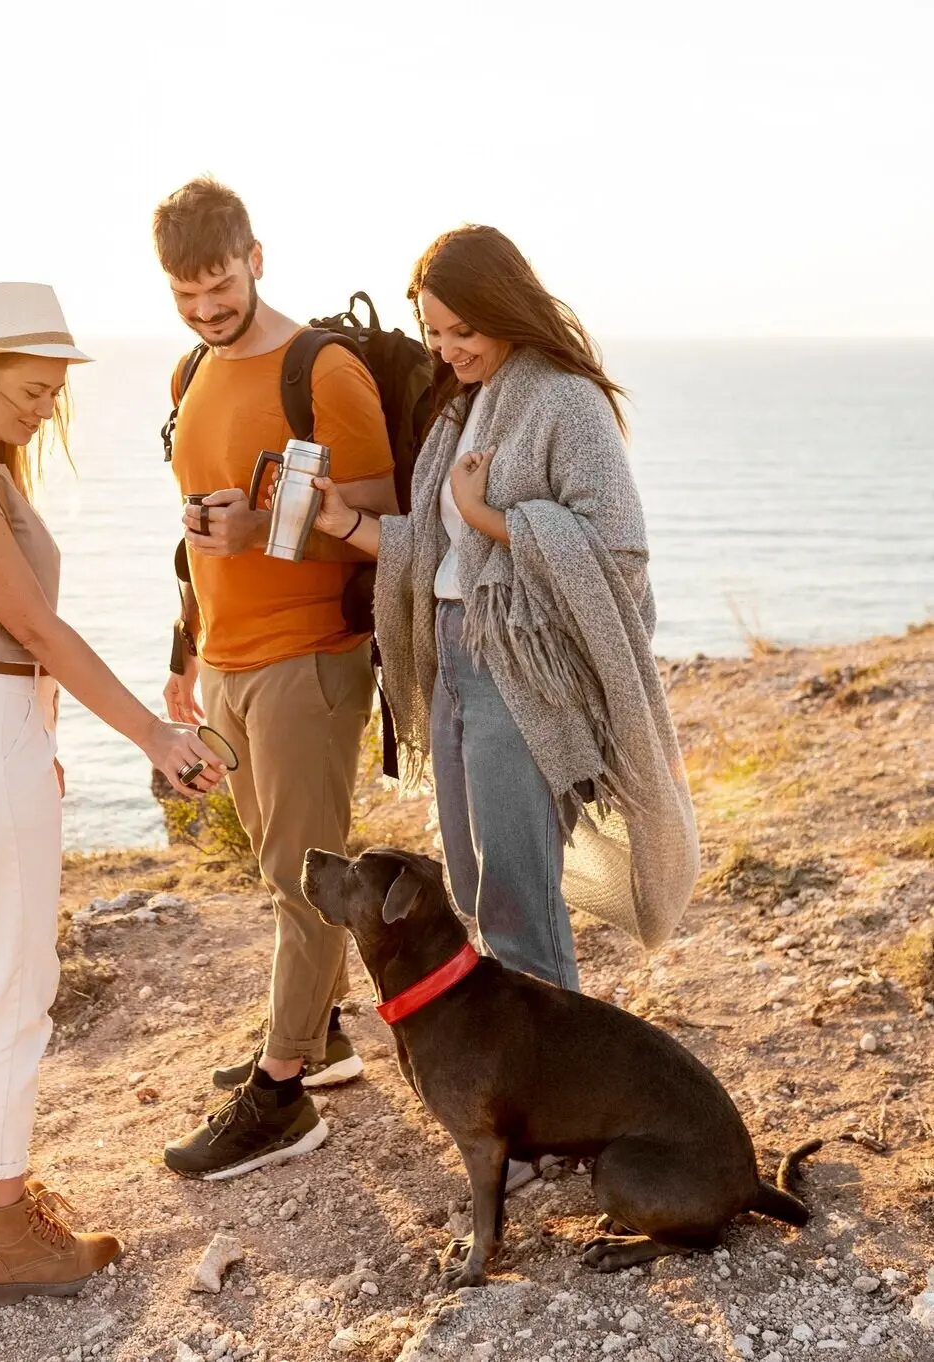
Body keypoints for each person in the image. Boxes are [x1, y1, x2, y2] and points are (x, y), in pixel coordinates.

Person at [309, 226, 700, 1184]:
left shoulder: (565, 401)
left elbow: (617, 545)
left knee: (520, 898)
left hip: (517, 667)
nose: (446, 350)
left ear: (505, 308)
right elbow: (432, 551)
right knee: (476, 890)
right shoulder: (462, 408)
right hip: (452, 658)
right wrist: (342, 520)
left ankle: (553, 1122)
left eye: (462, 331)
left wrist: (491, 517)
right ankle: (520, 1105)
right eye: (434, 333)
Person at [0, 282, 224, 1306]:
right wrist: (154, 735)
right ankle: (5, 1232)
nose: (45, 408)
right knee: (12, 988)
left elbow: (0, 639)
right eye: (29, 389)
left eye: (54, 390)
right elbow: (34, 625)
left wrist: (32, 736)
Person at [152, 178, 397, 1180]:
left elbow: (382, 521)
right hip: (227, 662)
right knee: (277, 868)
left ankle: (283, 1095)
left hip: (309, 658)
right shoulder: (189, 372)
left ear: (256, 258)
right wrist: (186, 649)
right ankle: (322, 1036)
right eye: (186, 296)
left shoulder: (321, 369)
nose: (207, 310)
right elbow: (193, 536)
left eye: (220, 286)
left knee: (306, 883)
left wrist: (263, 529)